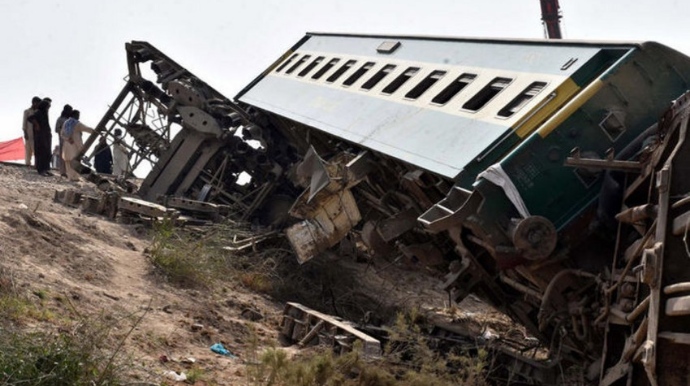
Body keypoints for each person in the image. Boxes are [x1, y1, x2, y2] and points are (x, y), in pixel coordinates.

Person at [61, 110, 95, 181]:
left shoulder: (66, 123)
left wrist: (67, 139)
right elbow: (86, 128)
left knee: (68, 162)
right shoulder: (76, 124)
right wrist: (96, 131)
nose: (79, 117)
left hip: (67, 144)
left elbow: (62, 134)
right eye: (78, 115)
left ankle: (70, 177)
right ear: (75, 115)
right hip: (74, 145)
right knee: (75, 161)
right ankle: (75, 177)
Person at [28, 99, 52, 176]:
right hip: (40, 137)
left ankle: (46, 169)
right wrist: (37, 124)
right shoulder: (38, 112)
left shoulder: (45, 113)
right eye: (47, 107)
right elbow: (30, 118)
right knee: (41, 153)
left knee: (47, 153)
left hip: (46, 135)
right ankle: (41, 170)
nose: (48, 109)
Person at [22, 96, 41, 166]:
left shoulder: (38, 112)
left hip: (36, 134)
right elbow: (24, 123)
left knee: (36, 149)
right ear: (34, 103)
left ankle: (36, 164)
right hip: (29, 132)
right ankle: (27, 163)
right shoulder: (27, 111)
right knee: (28, 149)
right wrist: (25, 132)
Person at [55, 104, 73, 177]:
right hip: (63, 140)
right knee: (63, 156)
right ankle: (63, 172)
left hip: (71, 140)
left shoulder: (71, 120)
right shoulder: (60, 119)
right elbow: (56, 129)